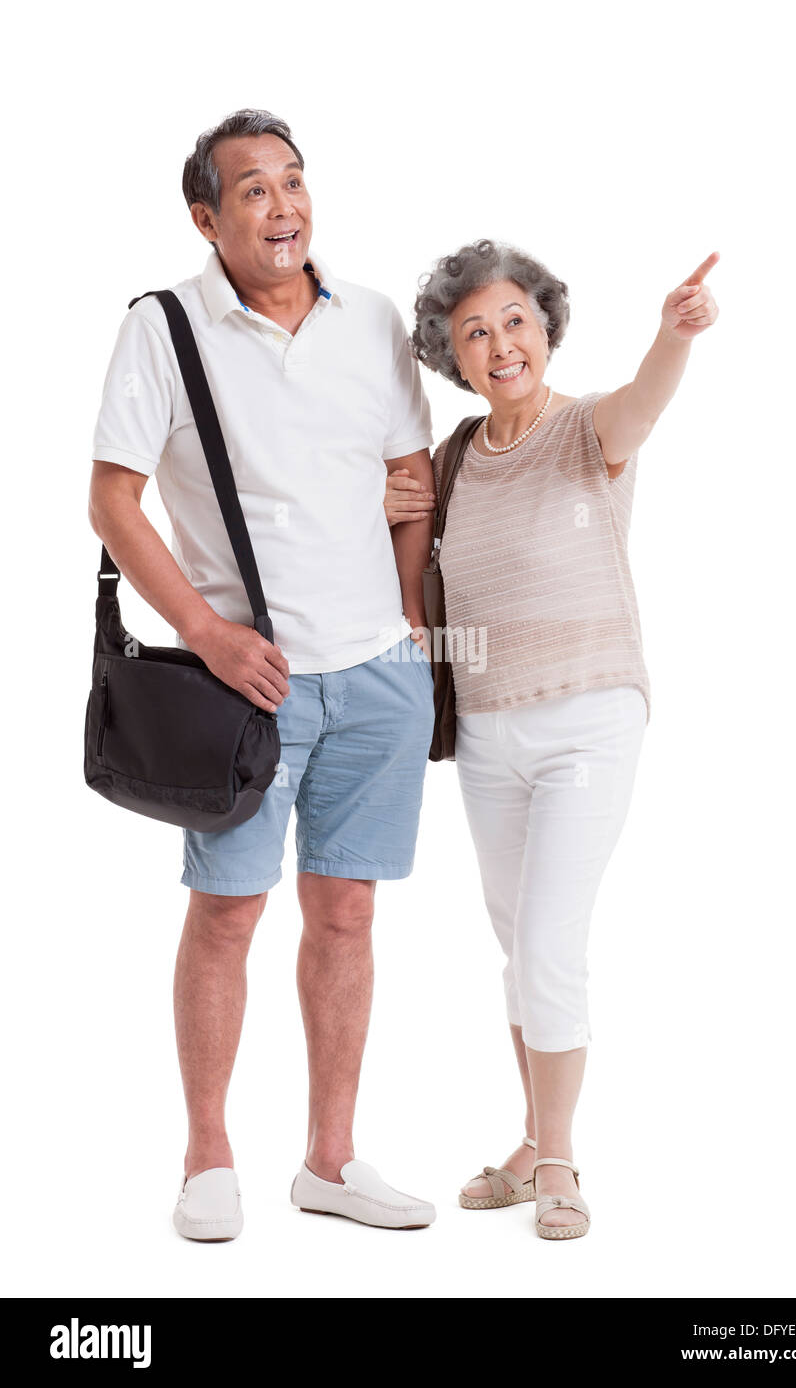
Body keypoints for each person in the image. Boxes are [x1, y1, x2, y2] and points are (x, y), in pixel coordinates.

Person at [88, 109, 439, 1240]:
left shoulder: (374, 320)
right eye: (252, 190)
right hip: (249, 684)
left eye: (293, 181)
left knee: (345, 914)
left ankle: (329, 1160)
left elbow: (407, 480)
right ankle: (206, 1157)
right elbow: (111, 499)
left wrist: (408, 628)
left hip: (378, 677)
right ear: (206, 216)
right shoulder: (164, 327)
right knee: (229, 911)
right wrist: (205, 628)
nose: (283, 206)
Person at [386, 237, 719, 1239]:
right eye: (473, 333)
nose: (498, 345)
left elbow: (643, 402)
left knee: (545, 941)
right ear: (452, 353)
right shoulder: (450, 460)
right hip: (486, 734)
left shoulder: (585, 433)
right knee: (515, 947)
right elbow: (425, 608)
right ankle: (534, 1138)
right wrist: (388, 507)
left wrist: (670, 336)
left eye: (514, 323)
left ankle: (561, 1157)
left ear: (546, 327)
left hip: (588, 715)